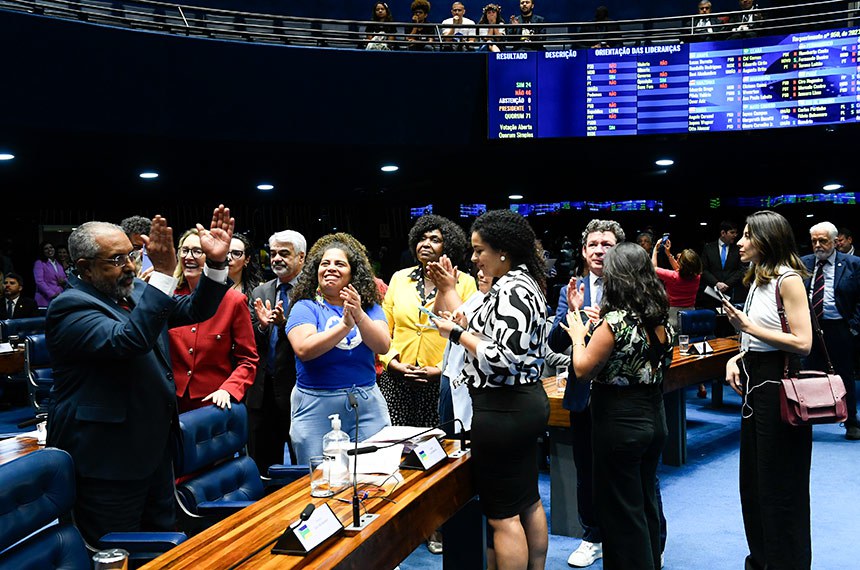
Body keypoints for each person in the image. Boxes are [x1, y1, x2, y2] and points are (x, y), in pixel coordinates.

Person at [45, 206, 234, 545]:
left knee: (163, 545)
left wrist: (217, 264)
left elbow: (194, 310)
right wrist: (162, 273)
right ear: (86, 268)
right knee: (119, 551)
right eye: (116, 260)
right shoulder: (69, 307)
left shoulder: (130, 292)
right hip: (108, 464)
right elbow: (128, 341)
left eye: (131, 255)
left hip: (154, 452)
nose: (130, 266)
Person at [432, 209, 549, 570]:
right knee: (528, 500)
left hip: (503, 410)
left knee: (502, 515)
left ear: (503, 252)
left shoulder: (512, 289)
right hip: (521, 404)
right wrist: (470, 327)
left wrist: (455, 333)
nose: (473, 257)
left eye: (479, 249)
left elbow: (503, 357)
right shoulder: (525, 283)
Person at [560, 242, 674, 570]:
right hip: (654, 418)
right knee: (645, 502)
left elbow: (582, 370)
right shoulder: (658, 317)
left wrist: (580, 334)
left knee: (621, 512)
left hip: (619, 424)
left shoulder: (614, 323)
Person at [723, 210, 813, 570]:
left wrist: (748, 328)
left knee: (781, 487)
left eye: (747, 235)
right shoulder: (758, 278)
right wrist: (737, 356)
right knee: (754, 484)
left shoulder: (788, 280)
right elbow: (755, 336)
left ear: (767, 239)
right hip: (755, 383)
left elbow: (802, 342)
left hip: (780, 385)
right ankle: (760, 561)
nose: (740, 242)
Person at [286, 232, 392, 463]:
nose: (331, 268)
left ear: (353, 273)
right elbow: (304, 349)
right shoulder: (304, 307)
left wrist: (359, 315)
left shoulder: (369, 307)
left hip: (366, 405)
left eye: (340, 264)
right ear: (316, 271)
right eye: (325, 263)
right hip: (316, 406)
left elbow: (383, 346)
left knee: (376, 472)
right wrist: (345, 326)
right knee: (320, 478)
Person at [379, 214, 476, 429]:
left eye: (435, 239)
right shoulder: (399, 278)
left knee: (439, 446)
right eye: (422, 238)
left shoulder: (465, 283)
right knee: (397, 445)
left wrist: (440, 369)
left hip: (441, 379)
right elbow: (383, 328)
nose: (426, 243)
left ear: (448, 246)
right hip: (397, 378)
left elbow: (468, 333)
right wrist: (391, 362)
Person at [169, 228, 258, 413]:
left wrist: (229, 389)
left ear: (212, 258)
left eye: (197, 251)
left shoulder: (233, 301)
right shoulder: (167, 297)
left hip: (211, 404)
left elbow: (248, 360)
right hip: (168, 401)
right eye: (184, 250)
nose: (189, 257)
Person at [248, 230, 306, 471]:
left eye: (284, 253)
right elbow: (250, 339)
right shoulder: (260, 291)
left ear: (301, 257)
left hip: (297, 389)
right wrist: (262, 326)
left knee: (301, 464)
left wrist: (284, 325)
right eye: (273, 254)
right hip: (262, 392)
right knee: (262, 463)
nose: (276, 259)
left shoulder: (311, 292)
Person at [801, 221, 860, 440]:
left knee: (844, 375)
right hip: (809, 328)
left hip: (840, 328)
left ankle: (851, 422)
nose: (817, 245)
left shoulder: (853, 264)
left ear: (835, 241)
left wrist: (853, 327)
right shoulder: (803, 263)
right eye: (814, 240)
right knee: (806, 374)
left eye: (823, 240)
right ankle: (805, 419)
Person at [652, 239, 703, 330]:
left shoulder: (673, 276)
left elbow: (653, 268)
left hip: (673, 314)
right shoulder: (697, 276)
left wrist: (655, 249)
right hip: (690, 312)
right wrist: (668, 254)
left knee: (675, 340)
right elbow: (681, 269)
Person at [700, 220, 746, 306]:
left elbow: (741, 270)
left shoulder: (738, 249)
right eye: (732, 232)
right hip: (711, 293)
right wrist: (716, 283)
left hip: (732, 292)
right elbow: (703, 269)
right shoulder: (709, 248)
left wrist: (727, 284)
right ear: (723, 233)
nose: (735, 235)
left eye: (736, 233)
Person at [227, 232, 262, 299]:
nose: (229, 257)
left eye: (236, 253)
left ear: (247, 259)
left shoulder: (258, 289)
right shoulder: (211, 286)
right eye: (225, 252)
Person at [33, 241, 66, 307]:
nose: (49, 250)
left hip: (59, 297)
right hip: (45, 299)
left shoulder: (58, 262)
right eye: (46, 248)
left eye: (51, 247)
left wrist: (64, 281)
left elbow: (64, 277)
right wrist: (52, 294)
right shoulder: (39, 263)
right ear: (42, 251)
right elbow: (39, 282)